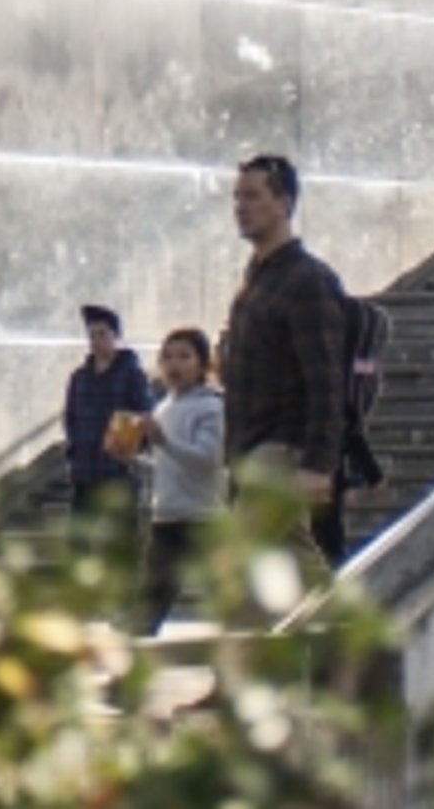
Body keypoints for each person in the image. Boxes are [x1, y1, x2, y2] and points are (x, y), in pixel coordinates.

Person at [221, 151, 353, 574]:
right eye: (237, 197)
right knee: (284, 565)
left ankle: (353, 635)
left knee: (240, 565)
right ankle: (355, 637)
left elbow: (328, 380)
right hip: (249, 444)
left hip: (282, 447)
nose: (241, 206)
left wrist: (319, 464)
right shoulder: (255, 280)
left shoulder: (307, 279)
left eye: (253, 196)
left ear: (284, 203)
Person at [128, 326, 227, 634]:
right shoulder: (163, 407)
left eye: (184, 357)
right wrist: (131, 459)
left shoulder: (211, 406)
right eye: (168, 357)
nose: (174, 365)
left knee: (224, 598)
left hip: (203, 519)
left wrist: (163, 441)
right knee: (151, 598)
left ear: (203, 365)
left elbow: (207, 460)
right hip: (167, 517)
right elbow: (165, 466)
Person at [60, 306, 155, 534]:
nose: (96, 341)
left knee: (120, 540)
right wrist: (74, 448)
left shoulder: (132, 374)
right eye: (92, 335)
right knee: (79, 539)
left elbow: (144, 413)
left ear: (115, 336)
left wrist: (131, 447)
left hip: (118, 471)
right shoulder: (80, 377)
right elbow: (71, 416)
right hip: (85, 471)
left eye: (102, 334)